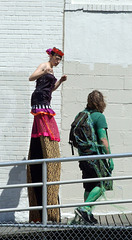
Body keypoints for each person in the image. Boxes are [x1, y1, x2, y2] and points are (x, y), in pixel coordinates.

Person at [27, 47, 67, 223]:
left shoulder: (52, 71)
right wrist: (44, 70)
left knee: (47, 116)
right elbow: (31, 77)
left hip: (46, 97)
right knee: (44, 118)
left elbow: (52, 90)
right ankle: (45, 131)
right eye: (56, 59)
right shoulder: (44, 65)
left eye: (59, 60)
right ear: (51, 57)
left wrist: (61, 82)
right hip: (39, 100)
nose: (57, 62)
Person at [75, 90, 114, 224]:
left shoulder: (81, 115)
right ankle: (84, 208)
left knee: (89, 186)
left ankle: (87, 215)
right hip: (95, 156)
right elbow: (103, 139)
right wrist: (109, 157)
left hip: (83, 156)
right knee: (102, 184)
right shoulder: (99, 116)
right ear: (101, 102)